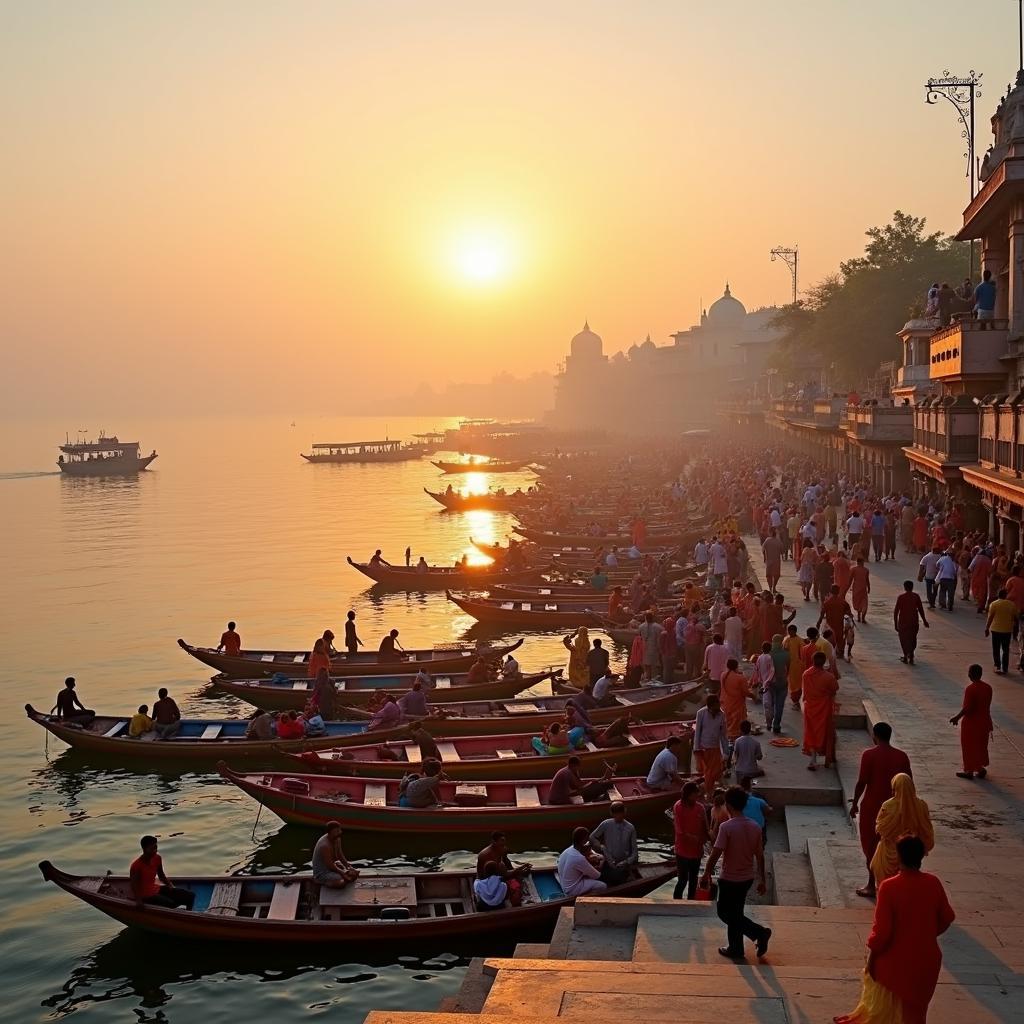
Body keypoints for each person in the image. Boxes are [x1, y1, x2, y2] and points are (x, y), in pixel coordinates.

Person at [833, 836, 955, 1024]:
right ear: (922, 856)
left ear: (898, 856)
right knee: (915, 1015)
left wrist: (871, 959)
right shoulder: (933, 883)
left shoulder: (889, 887)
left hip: (894, 963)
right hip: (926, 961)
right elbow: (947, 918)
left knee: (887, 1014)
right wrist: (925, 933)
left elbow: (882, 933)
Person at [700, 786, 770, 960]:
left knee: (725, 912)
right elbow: (760, 856)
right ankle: (737, 947)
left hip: (730, 878)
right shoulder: (755, 827)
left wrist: (706, 873)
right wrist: (762, 880)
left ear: (728, 806)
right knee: (735, 913)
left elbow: (715, 853)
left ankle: (758, 933)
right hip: (747, 878)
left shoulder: (726, 827)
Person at [848, 722, 912, 899]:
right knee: (893, 846)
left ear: (875, 736)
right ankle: (895, 883)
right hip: (896, 808)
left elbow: (862, 782)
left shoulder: (869, 755)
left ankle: (871, 884)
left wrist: (855, 803)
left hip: (873, 807)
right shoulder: (902, 756)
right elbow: (909, 784)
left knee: (871, 846)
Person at [869, 773, 935, 890]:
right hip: (910, 854)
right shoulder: (921, 805)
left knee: (885, 887)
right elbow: (927, 830)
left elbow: (880, 829)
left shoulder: (888, 805)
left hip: (887, 854)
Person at [950, 663, 993, 780]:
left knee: (969, 747)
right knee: (981, 746)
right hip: (985, 721)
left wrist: (956, 718)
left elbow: (968, 708)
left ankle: (969, 770)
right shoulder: (988, 688)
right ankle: (979, 768)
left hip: (972, 723)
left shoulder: (971, 689)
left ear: (971, 674)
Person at [130, 835, 195, 910]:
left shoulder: (157, 858)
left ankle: (188, 915)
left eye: (156, 847)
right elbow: (134, 885)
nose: (155, 850)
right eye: (152, 848)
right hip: (146, 896)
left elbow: (161, 875)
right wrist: (139, 901)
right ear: (144, 849)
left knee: (190, 896)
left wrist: (170, 885)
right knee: (172, 904)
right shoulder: (136, 866)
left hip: (156, 889)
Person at [673, 780, 709, 899]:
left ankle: (691, 901)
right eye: (694, 793)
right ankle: (676, 903)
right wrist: (694, 838)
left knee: (693, 880)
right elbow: (680, 831)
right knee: (682, 880)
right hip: (682, 850)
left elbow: (705, 826)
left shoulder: (700, 808)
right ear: (688, 794)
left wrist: (704, 839)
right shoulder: (678, 806)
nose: (697, 796)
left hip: (696, 851)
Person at [801, 650, 838, 771]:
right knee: (824, 732)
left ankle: (813, 759)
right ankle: (826, 756)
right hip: (824, 708)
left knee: (810, 732)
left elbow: (805, 692)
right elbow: (834, 690)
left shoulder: (806, 674)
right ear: (824, 663)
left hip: (810, 707)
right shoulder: (829, 677)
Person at [476, 831, 531, 907]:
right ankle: (512, 905)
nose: (504, 845)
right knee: (512, 886)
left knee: (517, 881)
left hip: (498, 877)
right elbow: (488, 877)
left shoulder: (501, 850)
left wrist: (520, 870)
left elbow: (506, 868)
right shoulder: (484, 856)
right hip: (487, 884)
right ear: (493, 842)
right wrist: (517, 871)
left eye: (504, 842)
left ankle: (517, 903)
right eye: (501, 841)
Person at [590, 801, 639, 885]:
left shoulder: (630, 828)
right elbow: (592, 837)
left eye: (620, 814)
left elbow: (635, 853)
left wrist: (626, 862)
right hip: (609, 860)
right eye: (616, 815)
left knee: (617, 877)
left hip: (623, 863)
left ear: (625, 812)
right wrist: (602, 847)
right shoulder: (606, 824)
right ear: (612, 813)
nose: (619, 817)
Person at [693, 694, 729, 799]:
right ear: (709, 707)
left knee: (715, 772)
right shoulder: (701, 713)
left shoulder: (721, 714)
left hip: (715, 748)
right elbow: (697, 732)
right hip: (703, 748)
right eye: (713, 709)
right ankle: (709, 793)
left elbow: (723, 735)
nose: (715, 710)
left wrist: (726, 752)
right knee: (709, 772)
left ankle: (709, 792)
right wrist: (696, 749)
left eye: (717, 708)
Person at [556, 827, 608, 897]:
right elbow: (597, 875)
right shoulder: (579, 858)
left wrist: (591, 857)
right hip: (571, 890)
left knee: (586, 873)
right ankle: (583, 898)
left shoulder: (567, 850)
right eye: (587, 839)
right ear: (583, 840)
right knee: (603, 886)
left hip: (564, 884)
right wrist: (602, 860)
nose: (588, 841)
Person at [312, 820, 360, 888]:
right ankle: (320, 881)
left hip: (333, 867)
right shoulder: (324, 845)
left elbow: (340, 855)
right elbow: (329, 865)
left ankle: (340, 877)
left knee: (353, 875)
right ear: (330, 832)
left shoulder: (337, 838)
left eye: (339, 830)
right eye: (337, 831)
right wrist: (343, 873)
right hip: (323, 872)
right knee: (342, 883)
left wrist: (349, 867)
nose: (340, 832)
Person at [547, 755, 614, 804]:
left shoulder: (571, 771)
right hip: (557, 800)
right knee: (592, 789)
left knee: (598, 785)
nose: (578, 768)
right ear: (572, 765)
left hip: (564, 796)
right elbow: (569, 793)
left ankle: (597, 800)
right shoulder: (566, 773)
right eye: (577, 766)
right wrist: (588, 787)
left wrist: (602, 778)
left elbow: (580, 784)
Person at [893, 580, 929, 665]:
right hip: (913, 621)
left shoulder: (901, 597)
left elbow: (896, 611)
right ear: (912, 587)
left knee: (904, 639)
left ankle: (906, 656)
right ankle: (911, 654)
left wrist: (895, 623)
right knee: (912, 638)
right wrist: (924, 620)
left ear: (905, 587)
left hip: (903, 622)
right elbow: (920, 609)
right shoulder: (916, 596)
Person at [985, 587, 1017, 674]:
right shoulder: (1011, 604)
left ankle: (997, 666)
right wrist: (1015, 631)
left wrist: (987, 628)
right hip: (1007, 630)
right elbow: (1015, 618)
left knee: (996, 649)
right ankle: (1005, 668)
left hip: (995, 630)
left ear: (998, 595)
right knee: (1006, 649)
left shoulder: (994, 604)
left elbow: (990, 617)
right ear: (1005, 595)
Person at [817, 586, 853, 659]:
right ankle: (840, 653)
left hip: (829, 624)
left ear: (830, 591)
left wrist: (819, 622)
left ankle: (830, 652)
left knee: (829, 639)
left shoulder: (827, 602)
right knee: (840, 638)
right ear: (839, 591)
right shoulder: (843, 602)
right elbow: (849, 614)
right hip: (839, 624)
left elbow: (822, 614)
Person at [732, 720, 763, 786]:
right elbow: (759, 757)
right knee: (757, 776)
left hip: (740, 770)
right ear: (750, 730)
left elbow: (736, 754)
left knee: (739, 786)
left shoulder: (737, 741)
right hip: (752, 770)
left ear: (740, 730)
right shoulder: (756, 742)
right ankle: (755, 785)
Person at [638, 612, 664, 681]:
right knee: (656, 665)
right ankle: (656, 679)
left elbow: (639, 637)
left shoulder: (641, 627)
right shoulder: (658, 627)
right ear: (653, 618)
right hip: (655, 649)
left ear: (645, 618)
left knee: (647, 665)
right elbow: (661, 638)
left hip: (645, 648)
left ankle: (648, 678)